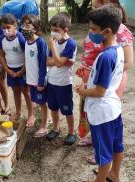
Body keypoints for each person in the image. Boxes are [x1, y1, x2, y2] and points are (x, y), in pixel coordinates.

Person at [76, 0, 134, 165]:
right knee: (111, 139)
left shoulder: (109, 52)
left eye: (92, 29)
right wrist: (88, 71)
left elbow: (101, 91)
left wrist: (86, 89)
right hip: (101, 91)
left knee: (105, 137)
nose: (90, 31)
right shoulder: (111, 47)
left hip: (103, 96)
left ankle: (100, 174)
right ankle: (112, 172)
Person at [46, 13, 77, 145]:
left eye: (56, 30)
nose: (53, 33)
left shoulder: (70, 43)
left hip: (64, 83)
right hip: (51, 81)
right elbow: (48, 61)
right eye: (52, 29)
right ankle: (56, 128)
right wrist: (58, 61)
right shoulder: (54, 41)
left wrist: (54, 51)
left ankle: (71, 132)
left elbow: (59, 63)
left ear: (65, 29)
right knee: (53, 107)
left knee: (67, 109)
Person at [0, 13, 34, 124]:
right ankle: (18, 112)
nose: (6, 30)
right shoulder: (1, 39)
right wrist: (7, 70)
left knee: (26, 91)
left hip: (23, 69)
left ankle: (31, 114)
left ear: (15, 25)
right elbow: (1, 55)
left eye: (8, 27)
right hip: (10, 69)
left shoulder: (21, 38)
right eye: (3, 28)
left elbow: (28, 55)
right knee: (15, 90)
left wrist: (22, 70)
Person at [21, 14, 49, 136]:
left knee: (42, 103)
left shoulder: (40, 42)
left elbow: (43, 63)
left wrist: (41, 81)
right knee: (38, 101)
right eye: (23, 25)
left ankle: (44, 125)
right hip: (31, 79)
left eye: (28, 25)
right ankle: (46, 118)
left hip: (39, 80)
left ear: (35, 28)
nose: (24, 28)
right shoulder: (27, 42)